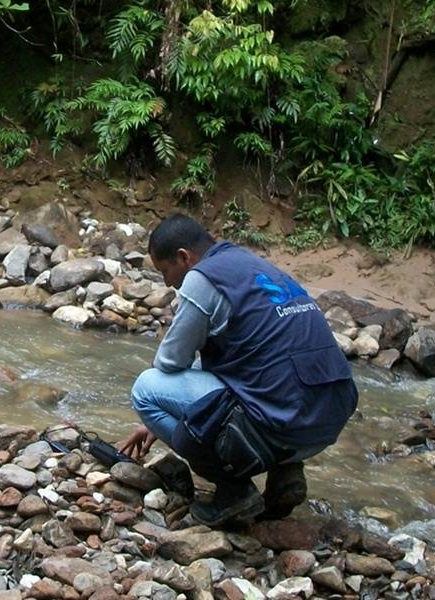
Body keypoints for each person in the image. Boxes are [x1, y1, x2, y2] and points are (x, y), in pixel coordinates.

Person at [119, 214, 358, 526]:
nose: (167, 283)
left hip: (279, 421)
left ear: (183, 257)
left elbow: (168, 364)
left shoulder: (203, 277)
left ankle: (233, 491)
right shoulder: (253, 266)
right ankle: (286, 472)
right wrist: (174, 412)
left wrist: (168, 416)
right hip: (326, 420)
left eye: (165, 271)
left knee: (146, 389)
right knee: (266, 378)